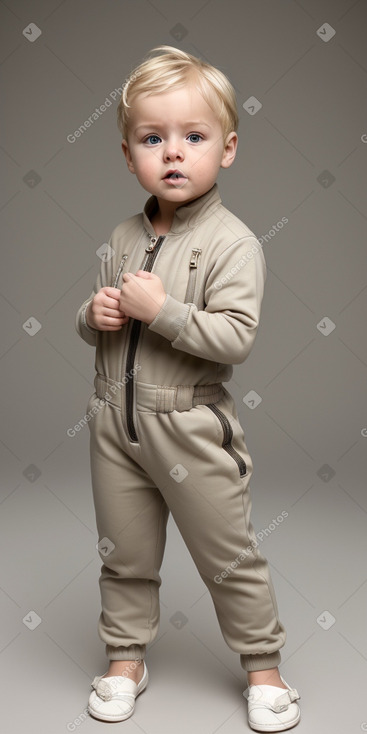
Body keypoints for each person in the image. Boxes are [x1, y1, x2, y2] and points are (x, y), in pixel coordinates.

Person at [75, 45, 301, 732]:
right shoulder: (121, 235)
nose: (172, 154)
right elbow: (97, 326)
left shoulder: (234, 244)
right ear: (128, 154)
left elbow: (234, 338)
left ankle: (263, 670)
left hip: (189, 427)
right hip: (116, 423)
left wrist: (161, 312)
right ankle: (124, 658)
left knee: (228, 556)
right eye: (153, 139)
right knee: (124, 552)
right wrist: (94, 316)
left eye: (193, 138)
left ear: (226, 149)